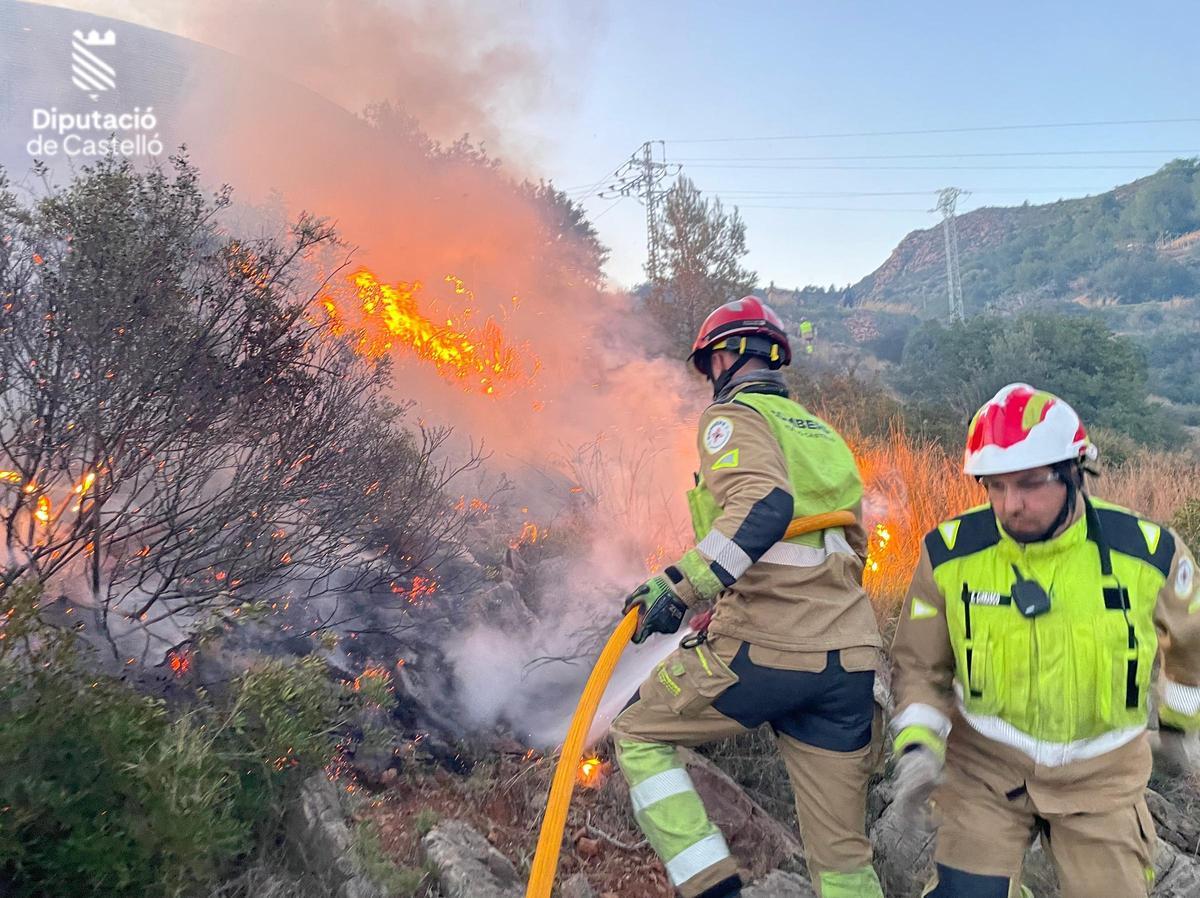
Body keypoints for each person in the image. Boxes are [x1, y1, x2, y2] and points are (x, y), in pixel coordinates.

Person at [610, 297, 886, 898]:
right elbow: (845, 550)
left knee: (636, 732)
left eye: (709, 365)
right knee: (841, 859)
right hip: (850, 663)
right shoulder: (823, 436)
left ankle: (711, 886)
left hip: (766, 649)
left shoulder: (732, 419)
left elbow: (763, 507)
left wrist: (680, 588)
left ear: (724, 358)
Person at [889, 383, 1200, 898]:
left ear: (1076, 473)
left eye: (1031, 484)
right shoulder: (950, 556)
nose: (1011, 505)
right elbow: (921, 666)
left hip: (1101, 782)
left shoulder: (1149, 556)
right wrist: (919, 747)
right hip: (985, 771)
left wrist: (1179, 728)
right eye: (995, 486)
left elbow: (1190, 652)